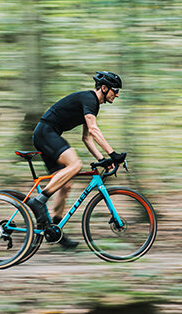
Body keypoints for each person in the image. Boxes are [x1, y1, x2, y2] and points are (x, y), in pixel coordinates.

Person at [26, 71, 126, 249]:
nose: (117, 94)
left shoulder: (93, 105)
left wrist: (102, 159)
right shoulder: (90, 99)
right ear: (104, 88)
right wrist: (113, 153)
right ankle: (39, 200)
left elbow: (87, 138)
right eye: (115, 90)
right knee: (75, 165)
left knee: (65, 185)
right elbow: (94, 130)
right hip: (46, 132)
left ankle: (54, 230)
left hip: (47, 134)